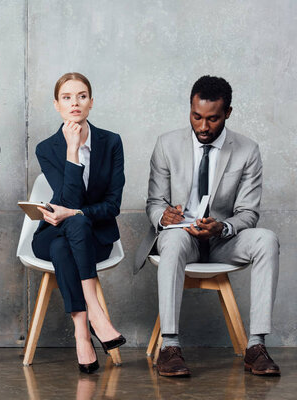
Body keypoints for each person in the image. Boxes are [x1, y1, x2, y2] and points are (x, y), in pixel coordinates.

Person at [134, 75, 280, 377]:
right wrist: (164, 217)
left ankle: (256, 346)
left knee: (266, 239)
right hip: (181, 237)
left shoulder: (247, 150)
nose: (203, 126)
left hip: (222, 240)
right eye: (196, 116)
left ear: (227, 113)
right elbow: (154, 202)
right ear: (190, 109)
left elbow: (248, 213)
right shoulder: (166, 144)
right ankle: (170, 347)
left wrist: (222, 227)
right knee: (172, 241)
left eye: (212, 119)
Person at [31, 72, 126, 374]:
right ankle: (95, 313)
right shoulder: (47, 148)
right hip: (50, 233)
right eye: (67, 97)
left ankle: (81, 333)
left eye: (82, 96)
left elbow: (112, 205)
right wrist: (72, 150)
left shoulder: (110, 142)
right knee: (67, 231)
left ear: (91, 102)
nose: (75, 103)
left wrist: (76, 215)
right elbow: (69, 200)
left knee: (71, 234)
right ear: (57, 105)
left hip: (95, 239)